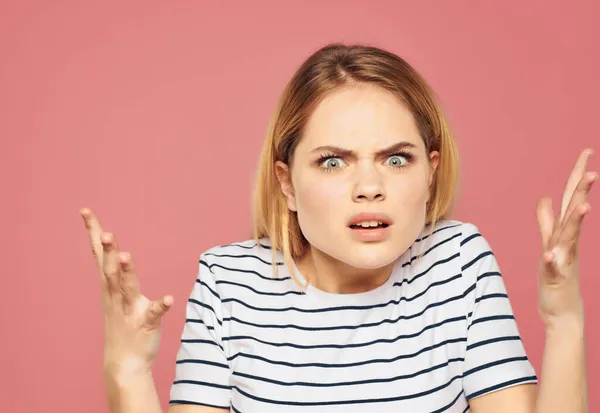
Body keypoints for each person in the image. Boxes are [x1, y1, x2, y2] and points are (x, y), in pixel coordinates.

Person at [80, 44, 595, 413]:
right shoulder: (229, 280)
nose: (368, 187)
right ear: (286, 183)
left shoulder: (456, 261)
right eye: (333, 162)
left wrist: (564, 319)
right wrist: (127, 367)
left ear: (431, 173)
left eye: (396, 159)